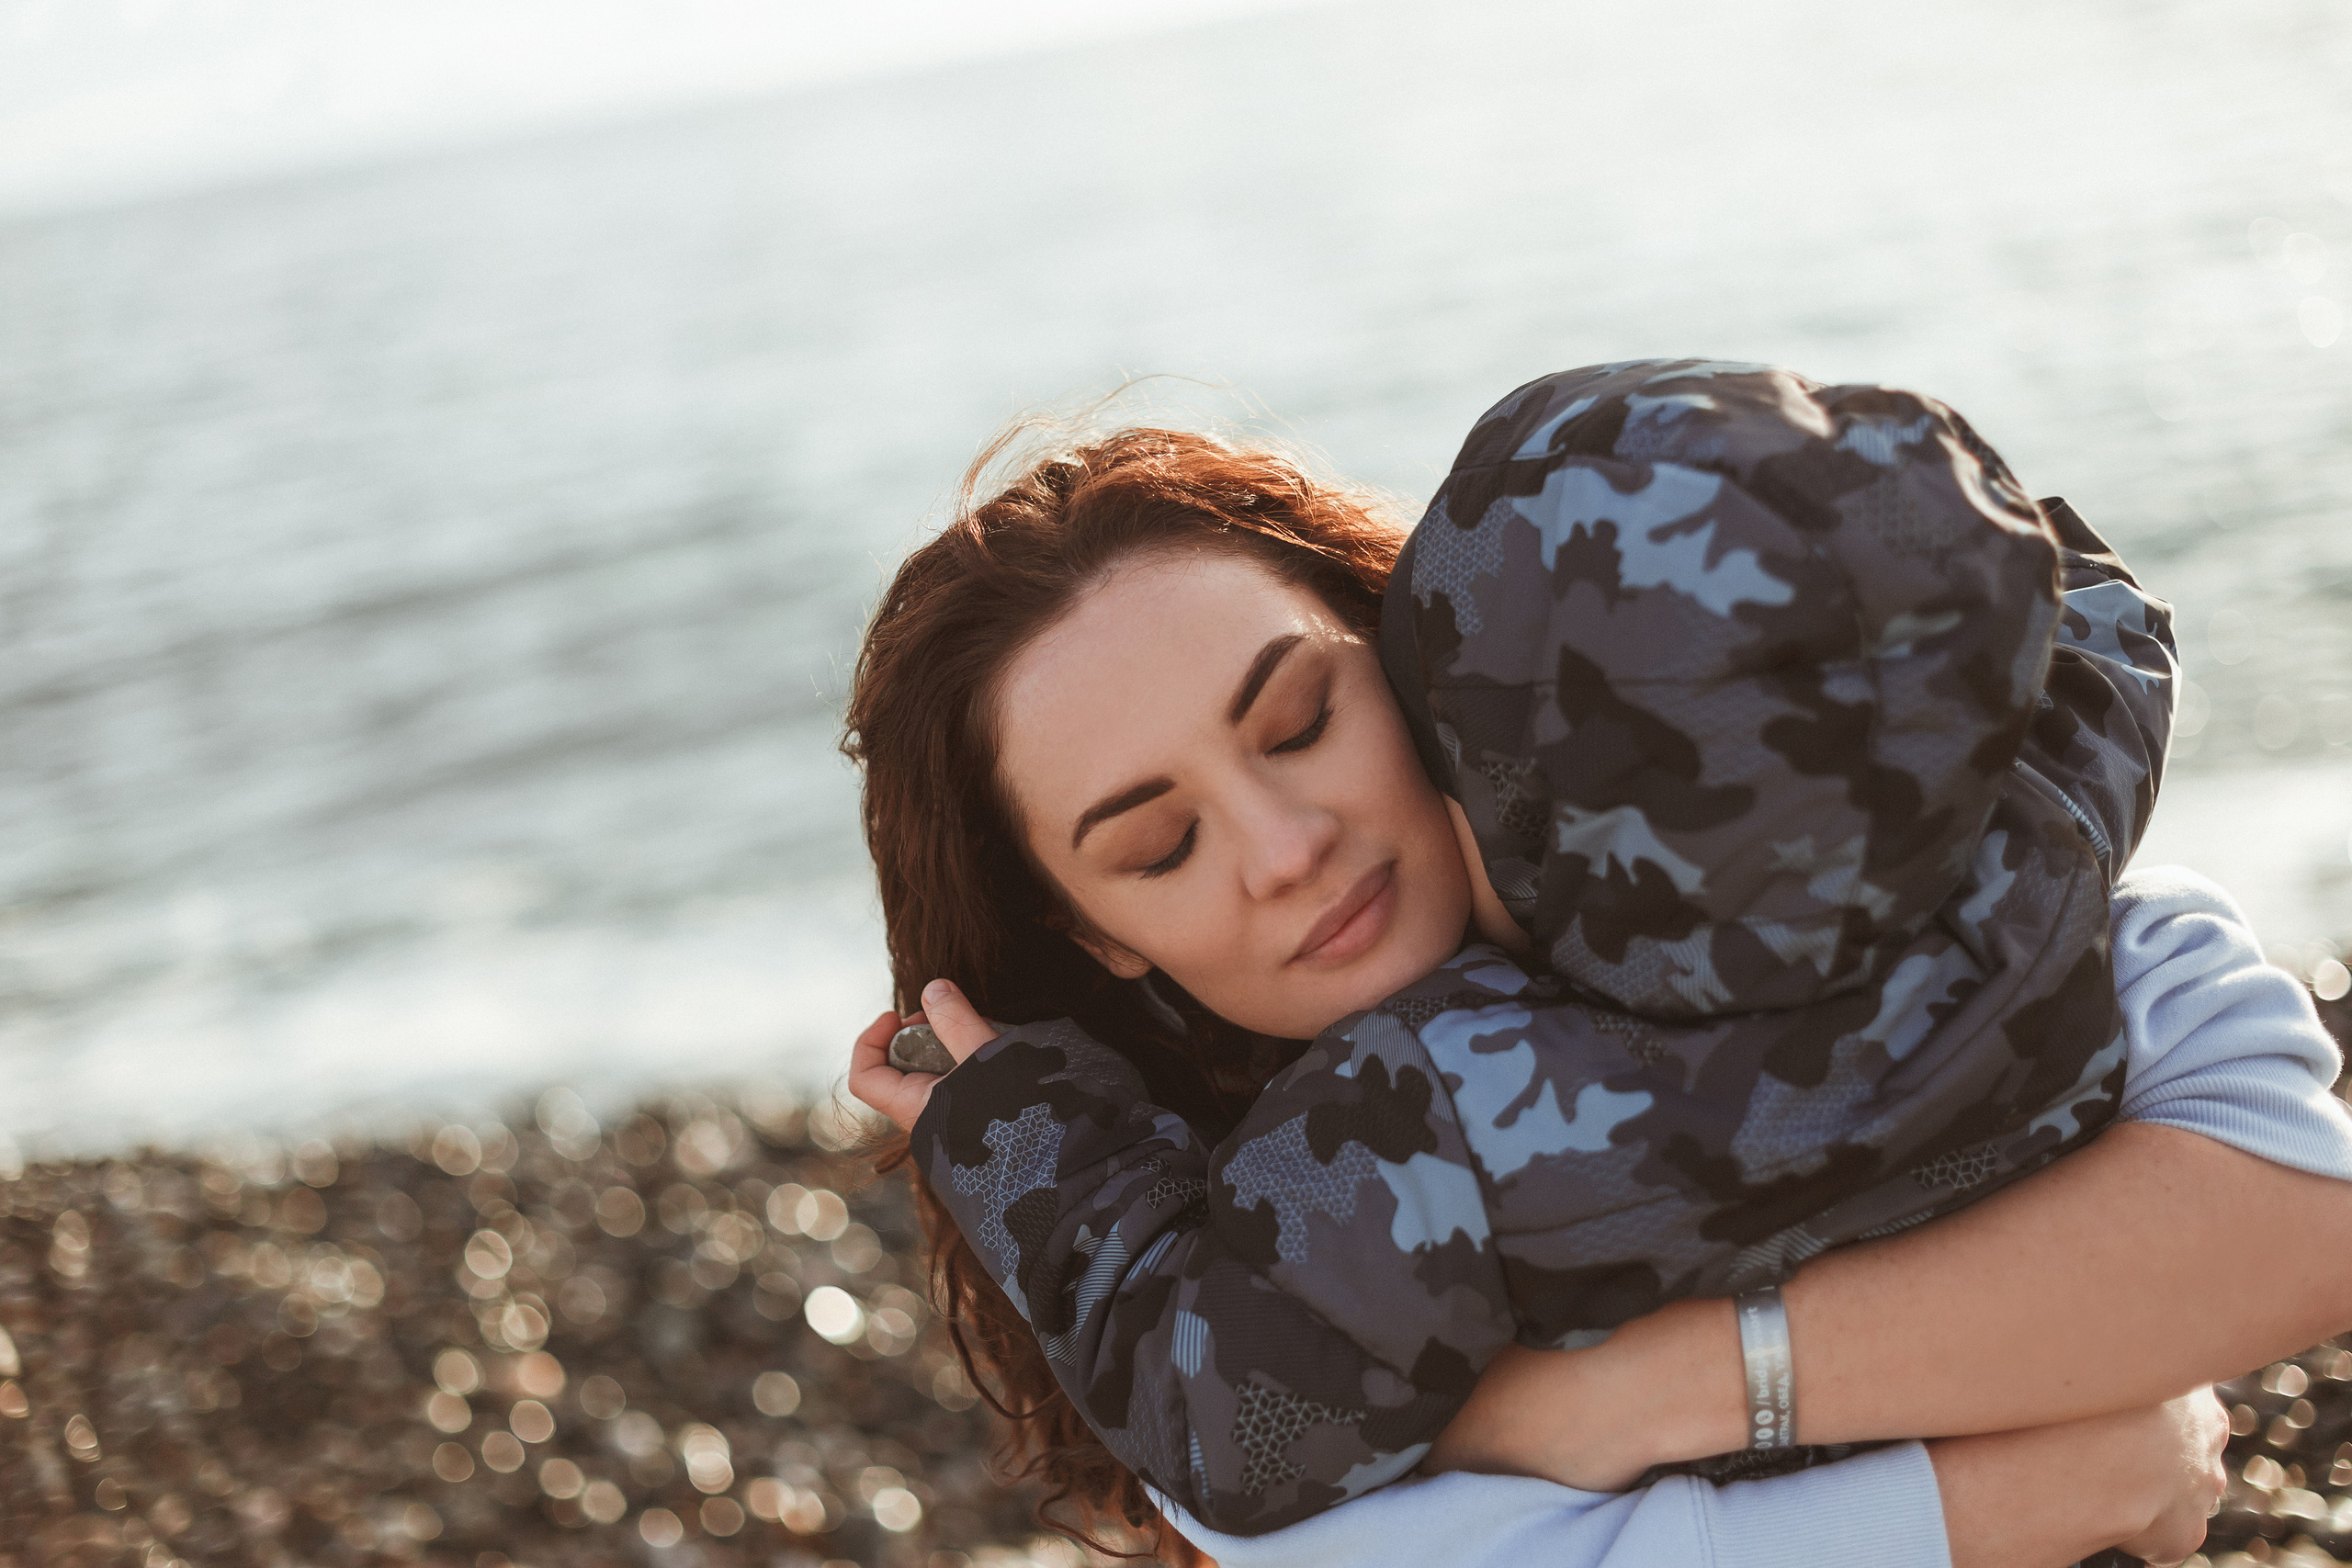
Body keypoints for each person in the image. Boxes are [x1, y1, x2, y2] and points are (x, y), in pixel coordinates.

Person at [842, 375, 2352, 1564]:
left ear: (1414, 656)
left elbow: (2294, 1212)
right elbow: (2120, 1452)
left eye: (1300, 722)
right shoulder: (1262, 1224)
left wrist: (1631, 1399)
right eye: (1159, 843)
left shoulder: (1845, 868)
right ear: (1093, 939)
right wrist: (2023, 1485)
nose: (1284, 844)